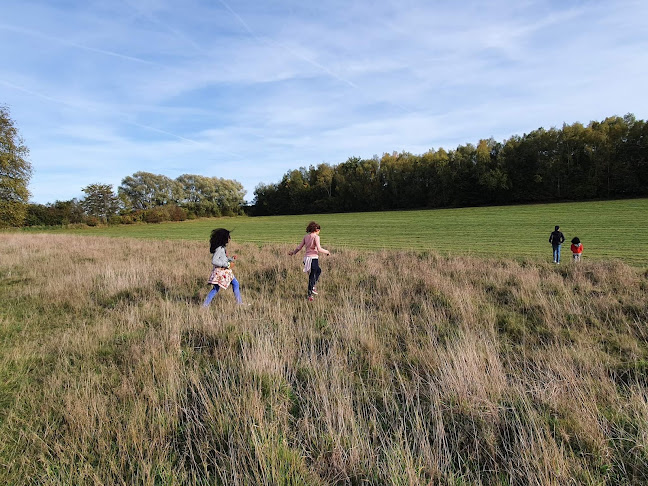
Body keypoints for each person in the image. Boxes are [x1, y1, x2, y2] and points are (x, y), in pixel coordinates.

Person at [203, 228, 247, 306]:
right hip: (221, 272)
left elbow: (223, 258)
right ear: (224, 238)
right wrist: (227, 265)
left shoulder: (222, 248)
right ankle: (204, 305)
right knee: (216, 288)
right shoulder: (219, 249)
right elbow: (214, 261)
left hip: (225, 272)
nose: (230, 238)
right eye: (228, 237)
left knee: (235, 284)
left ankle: (239, 302)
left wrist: (231, 259)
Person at [289, 221, 330, 301]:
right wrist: (327, 252)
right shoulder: (316, 237)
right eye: (319, 230)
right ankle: (310, 293)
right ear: (316, 229)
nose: (320, 232)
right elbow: (319, 248)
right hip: (313, 258)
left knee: (318, 271)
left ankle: (312, 288)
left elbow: (299, 247)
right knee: (312, 276)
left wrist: (293, 253)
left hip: (306, 259)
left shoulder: (306, 237)